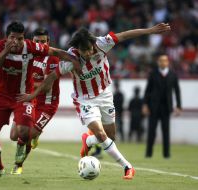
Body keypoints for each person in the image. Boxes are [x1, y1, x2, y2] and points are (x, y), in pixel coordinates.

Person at [17, 23, 171, 179]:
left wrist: (150, 30)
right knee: (102, 135)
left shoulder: (102, 43)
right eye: (85, 51)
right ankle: (128, 167)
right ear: (78, 48)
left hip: (105, 95)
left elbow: (125, 34)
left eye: (90, 49)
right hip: (85, 100)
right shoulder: (71, 59)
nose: (89, 53)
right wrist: (32, 95)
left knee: (110, 137)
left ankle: (88, 140)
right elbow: (51, 77)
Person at [0, 21, 80, 177]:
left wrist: (73, 59)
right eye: (12, 38)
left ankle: (18, 164)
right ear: (6, 38)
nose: (16, 42)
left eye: (20, 38)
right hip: (2, 96)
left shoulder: (34, 50)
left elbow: (55, 57)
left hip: (37, 100)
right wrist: (6, 51)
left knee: (26, 132)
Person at [9, 28, 61, 174]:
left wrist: (28, 84)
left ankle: (18, 165)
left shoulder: (52, 59)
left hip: (47, 105)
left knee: (27, 136)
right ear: (32, 42)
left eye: (43, 42)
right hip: (29, 101)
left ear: (48, 42)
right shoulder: (26, 55)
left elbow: (46, 85)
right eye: (37, 41)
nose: (40, 44)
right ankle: (36, 134)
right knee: (14, 136)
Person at [143, 53, 181, 158]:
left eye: (165, 60)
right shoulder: (153, 74)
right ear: (158, 62)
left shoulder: (173, 75)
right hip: (153, 107)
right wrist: (145, 104)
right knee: (151, 132)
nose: (163, 62)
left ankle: (166, 154)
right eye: (161, 60)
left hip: (166, 107)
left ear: (168, 62)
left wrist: (178, 106)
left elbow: (177, 91)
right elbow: (148, 90)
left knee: (166, 131)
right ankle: (148, 153)